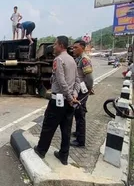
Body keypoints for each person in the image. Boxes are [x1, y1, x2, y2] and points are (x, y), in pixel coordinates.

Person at [34, 36, 80, 165]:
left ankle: (41, 150)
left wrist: (70, 98)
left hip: (58, 100)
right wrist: (74, 96)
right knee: (66, 129)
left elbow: (61, 82)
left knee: (48, 126)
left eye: (55, 44)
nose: (53, 47)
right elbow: (77, 80)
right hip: (70, 102)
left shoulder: (58, 60)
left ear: (60, 45)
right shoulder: (72, 60)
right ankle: (63, 156)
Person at [71, 40, 94, 147]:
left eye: (76, 47)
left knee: (80, 114)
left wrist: (88, 91)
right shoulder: (78, 59)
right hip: (78, 90)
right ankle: (77, 133)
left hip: (82, 91)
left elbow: (89, 78)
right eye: (73, 47)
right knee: (77, 112)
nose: (73, 49)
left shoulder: (84, 59)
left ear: (83, 48)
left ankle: (81, 141)